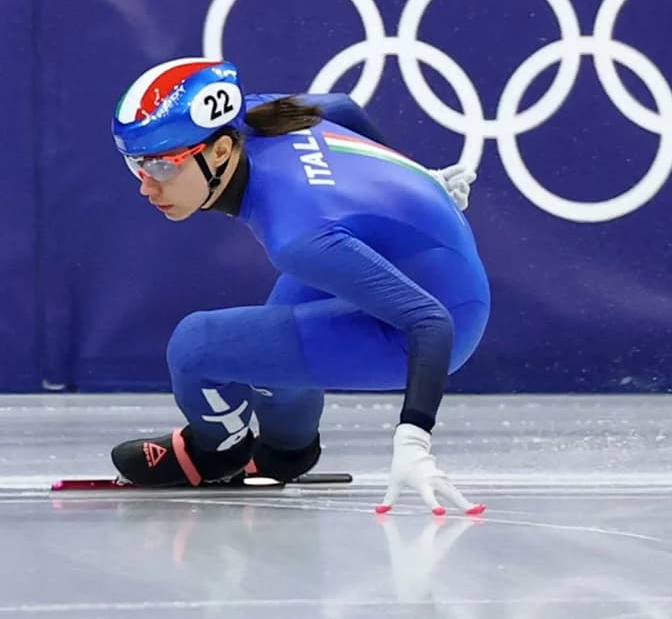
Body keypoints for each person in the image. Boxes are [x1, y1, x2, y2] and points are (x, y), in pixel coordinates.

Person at [109, 57, 488, 516]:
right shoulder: (258, 116)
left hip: (436, 321)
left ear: (223, 151)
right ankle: (289, 452)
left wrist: (414, 440)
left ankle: (216, 451)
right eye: (136, 167)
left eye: (162, 167)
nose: (146, 187)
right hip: (407, 261)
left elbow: (431, 321)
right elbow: (342, 107)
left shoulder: (297, 235)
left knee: (195, 346)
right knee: (268, 344)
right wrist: (416, 183)